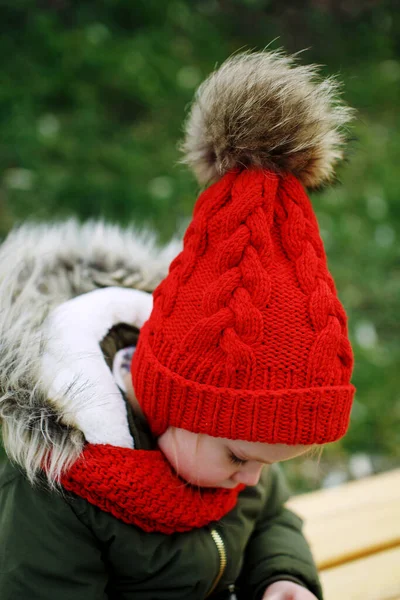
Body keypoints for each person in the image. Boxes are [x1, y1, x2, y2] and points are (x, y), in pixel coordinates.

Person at [0, 50, 356, 600]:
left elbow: (270, 517)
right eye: (242, 459)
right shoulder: (64, 487)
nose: (253, 482)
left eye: (264, 464)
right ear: (174, 405)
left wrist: (282, 576)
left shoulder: (236, 450)